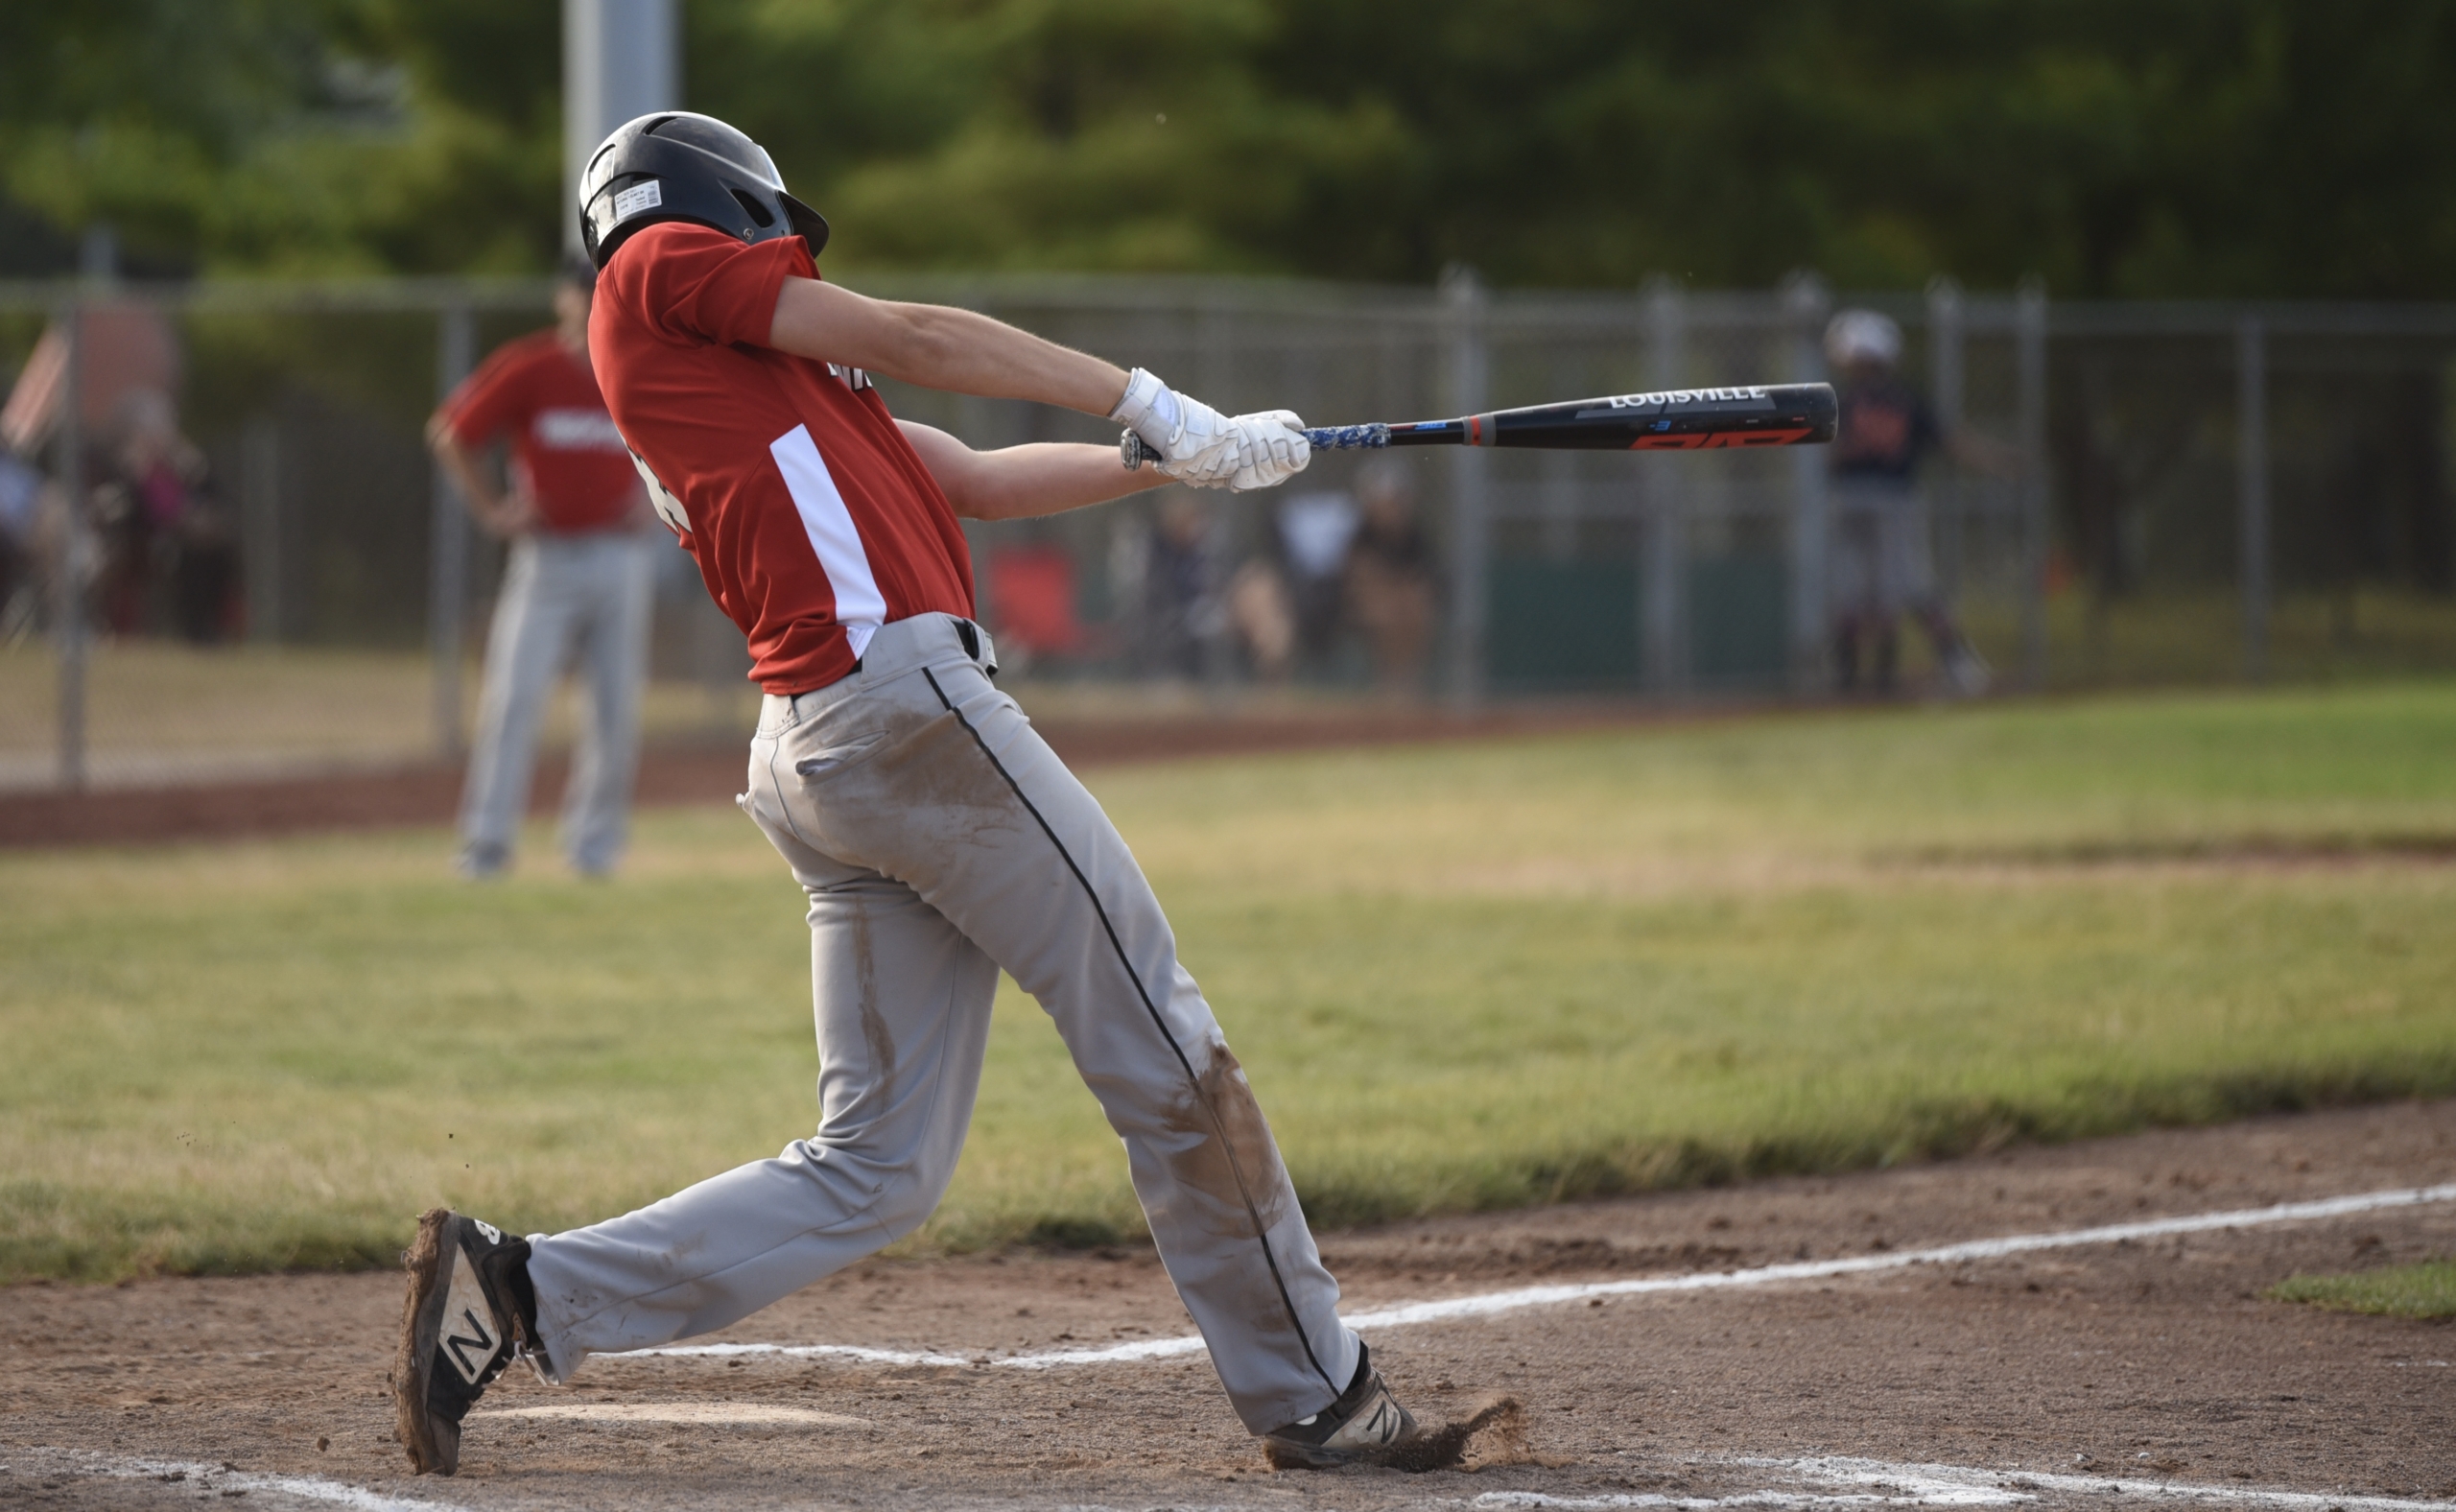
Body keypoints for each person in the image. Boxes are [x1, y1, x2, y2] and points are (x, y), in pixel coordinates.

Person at [392, 112, 1418, 1477]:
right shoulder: (651, 273)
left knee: (876, 1167)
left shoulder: (767, 387)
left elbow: (979, 481)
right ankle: (1322, 1392)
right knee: (1164, 1039)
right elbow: (921, 330)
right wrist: (1144, 397)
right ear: (709, 205)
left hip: (831, 749)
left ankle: (521, 1291)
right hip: (906, 717)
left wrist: (1195, 454)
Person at [429, 256, 658, 879]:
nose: (588, 302)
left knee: (615, 708)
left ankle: (595, 847)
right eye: (580, 291)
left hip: (619, 556)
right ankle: (487, 844)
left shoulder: (634, 366)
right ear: (561, 298)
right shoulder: (532, 366)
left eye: (601, 291)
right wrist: (493, 510)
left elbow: (684, 440)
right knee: (515, 698)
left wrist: (661, 500)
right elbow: (450, 433)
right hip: (548, 558)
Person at [1823, 309, 2008, 697]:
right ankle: (1885, 681)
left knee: (1853, 590)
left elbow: (1829, 455)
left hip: (1849, 498)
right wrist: (1997, 461)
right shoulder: (1905, 398)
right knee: (1896, 586)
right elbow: (1951, 442)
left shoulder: (1839, 400)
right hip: (1893, 497)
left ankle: (1848, 684)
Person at [1342, 458, 1439, 696]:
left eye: (1395, 500)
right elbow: (1357, 580)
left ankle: (1406, 681)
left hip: (1402, 604)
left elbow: (1422, 580)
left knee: (1415, 609)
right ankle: (1388, 682)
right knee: (1384, 611)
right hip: (1361, 607)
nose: (1390, 507)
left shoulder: (1415, 535)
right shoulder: (1360, 534)